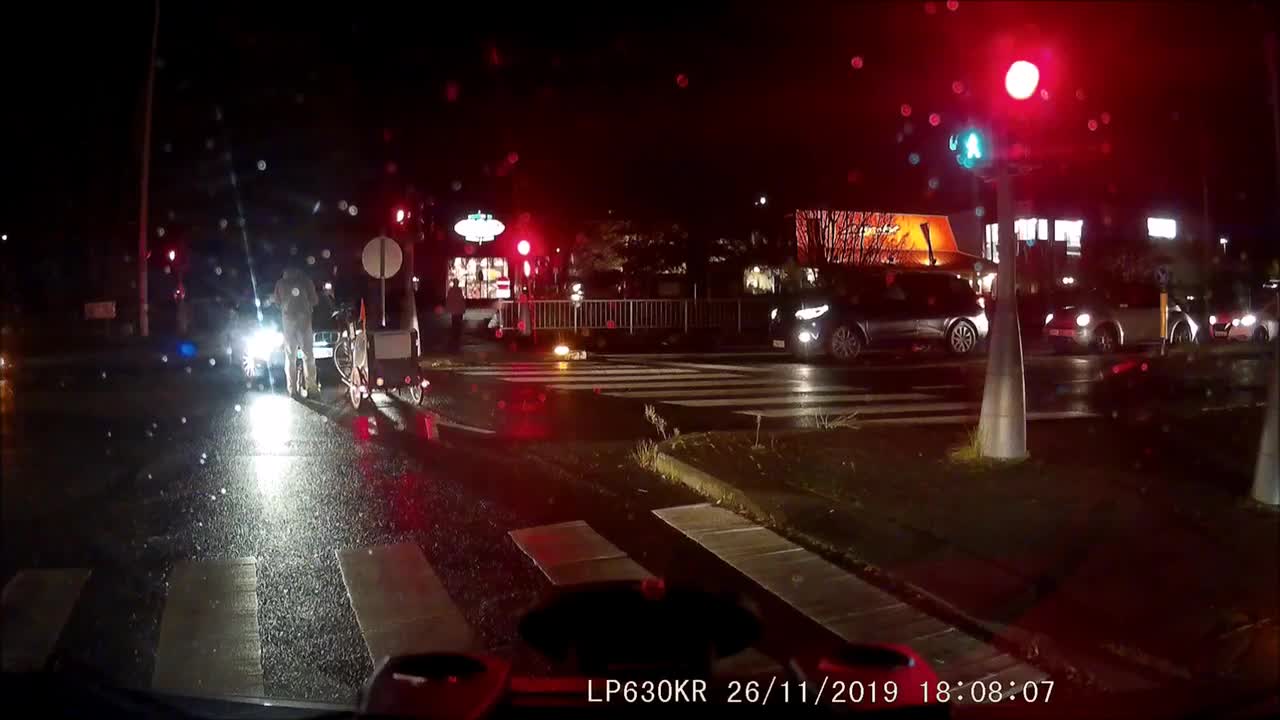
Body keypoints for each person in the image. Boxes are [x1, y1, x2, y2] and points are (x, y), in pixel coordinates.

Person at [272, 266, 319, 397]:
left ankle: (292, 390)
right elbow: (315, 300)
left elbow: (276, 302)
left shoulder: (280, 283)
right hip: (304, 321)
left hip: (288, 322)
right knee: (308, 355)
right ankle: (312, 389)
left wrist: (285, 307)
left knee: (290, 356)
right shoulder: (306, 281)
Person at [445, 279, 466, 352]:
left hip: (455, 310)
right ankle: (456, 336)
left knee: (455, 323)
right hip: (458, 310)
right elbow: (461, 300)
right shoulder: (458, 290)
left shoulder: (452, 290)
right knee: (457, 323)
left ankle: (455, 336)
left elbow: (449, 300)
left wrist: (448, 308)